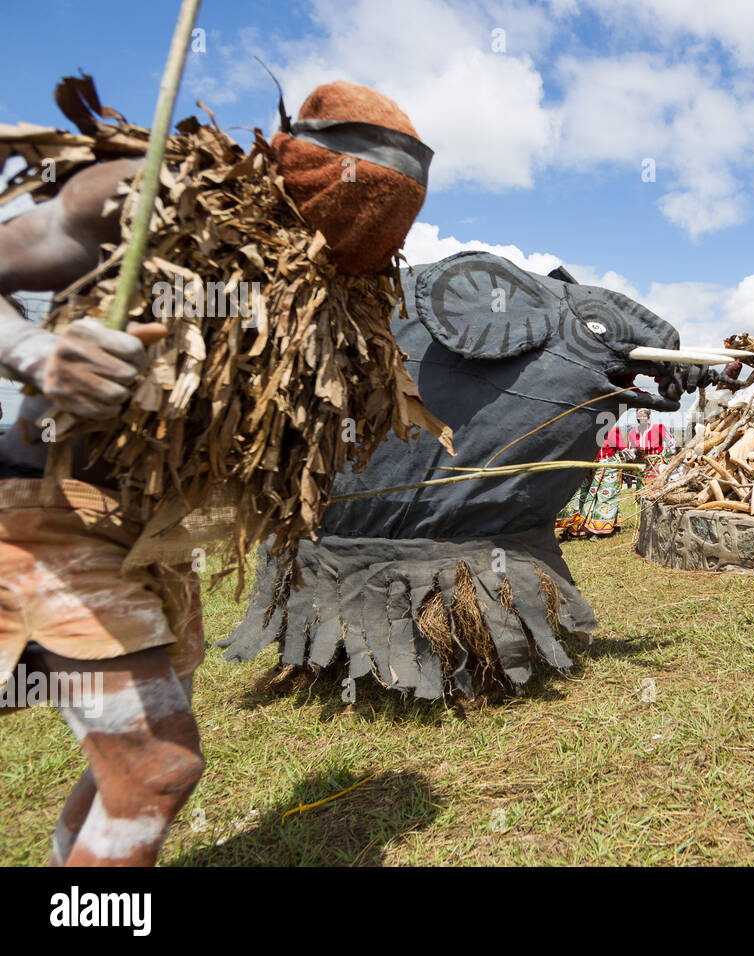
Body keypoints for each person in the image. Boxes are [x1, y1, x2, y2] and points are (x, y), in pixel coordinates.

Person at [0, 79, 433, 865]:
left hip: (155, 546)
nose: (364, 219)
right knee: (156, 764)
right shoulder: (150, 198)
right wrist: (40, 354)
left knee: (132, 770)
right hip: (44, 513)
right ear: (288, 158)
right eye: (350, 188)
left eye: (392, 212)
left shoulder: (350, 301)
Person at [556, 423, 629, 538]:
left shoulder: (613, 431)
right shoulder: (587, 430)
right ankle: (577, 527)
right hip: (588, 467)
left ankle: (600, 529)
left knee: (605, 498)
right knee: (581, 496)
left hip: (608, 468)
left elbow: (624, 450)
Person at [627, 408, 678, 486]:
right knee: (641, 486)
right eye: (640, 416)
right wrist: (637, 451)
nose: (642, 418)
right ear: (637, 417)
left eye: (645, 416)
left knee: (656, 485)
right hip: (641, 463)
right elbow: (630, 451)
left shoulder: (658, 428)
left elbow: (671, 442)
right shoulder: (632, 433)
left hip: (656, 462)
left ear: (648, 417)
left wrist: (674, 456)